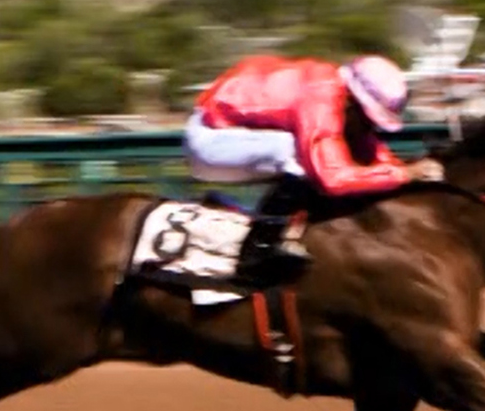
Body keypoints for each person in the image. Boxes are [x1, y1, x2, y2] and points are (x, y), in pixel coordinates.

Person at [184, 54, 444, 281]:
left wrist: (404, 172)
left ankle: (269, 224)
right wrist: (403, 174)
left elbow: (369, 151)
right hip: (207, 140)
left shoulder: (342, 97)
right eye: (370, 120)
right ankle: (256, 251)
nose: (371, 128)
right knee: (295, 151)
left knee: (311, 153)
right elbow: (332, 177)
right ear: (354, 101)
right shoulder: (321, 97)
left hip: (233, 132)